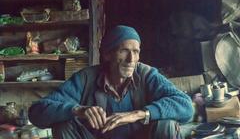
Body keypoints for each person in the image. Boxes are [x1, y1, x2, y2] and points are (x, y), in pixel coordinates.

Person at [28, 25, 194, 139]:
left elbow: (186, 107)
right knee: (63, 126)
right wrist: (78, 110)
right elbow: (36, 112)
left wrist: (138, 114)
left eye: (136, 52)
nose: (131, 59)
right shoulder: (86, 78)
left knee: (167, 125)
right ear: (107, 54)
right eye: (124, 51)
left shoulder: (146, 75)